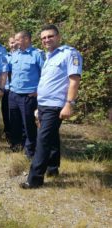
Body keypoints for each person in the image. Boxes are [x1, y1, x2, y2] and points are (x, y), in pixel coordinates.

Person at [20, 24, 82, 189]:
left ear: (58, 37)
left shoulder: (69, 54)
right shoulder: (49, 56)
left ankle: (34, 179)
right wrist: (38, 105)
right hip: (43, 104)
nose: (46, 40)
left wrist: (69, 104)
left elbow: (74, 80)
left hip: (56, 106)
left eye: (50, 36)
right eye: (43, 38)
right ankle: (52, 169)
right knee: (51, 138)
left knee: (43, 140)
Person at [8, 31, 45, 156]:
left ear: (27, 39)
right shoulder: (14, 55)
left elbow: (45, 75)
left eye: (18, 39)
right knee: (14, 122)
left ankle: (30, 151)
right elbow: (8, 72)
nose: (15, 42)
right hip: (13, 94)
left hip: (28, 96)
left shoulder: (37, 54)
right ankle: (16, 145)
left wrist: (39, 91)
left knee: (28, 124)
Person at [2, 36, 19, 142]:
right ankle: (8, 132)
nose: (14, 45)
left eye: (15, 42)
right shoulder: (5, 57)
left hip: (18, 89)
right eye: (11, 43)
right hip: (6, 88)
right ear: (8, 44)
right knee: (6, 112)